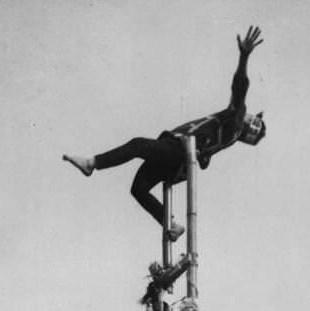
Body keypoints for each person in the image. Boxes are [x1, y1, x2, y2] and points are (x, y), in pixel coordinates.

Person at [63, 26, 265, 236]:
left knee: (138, 145)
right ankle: (171, 224)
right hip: (177, 158)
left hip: (177, 150)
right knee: (138, 188)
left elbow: (239, 88)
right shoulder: (230, 133)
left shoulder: (236, 120)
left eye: (253, 118)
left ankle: (93, 163)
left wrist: (243, 56)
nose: (250, 114)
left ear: (250, 124)